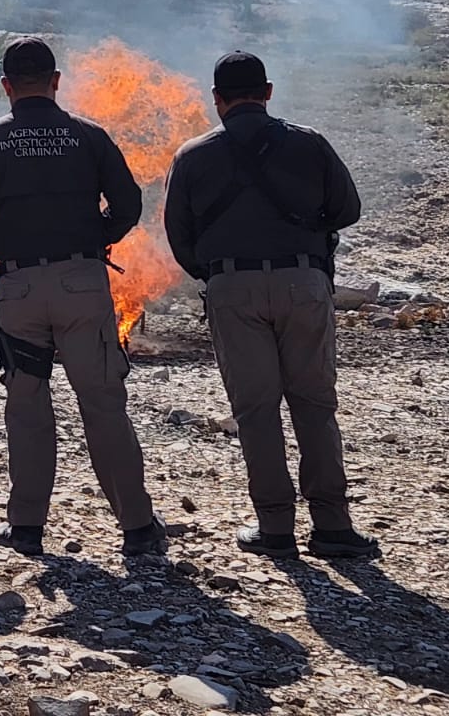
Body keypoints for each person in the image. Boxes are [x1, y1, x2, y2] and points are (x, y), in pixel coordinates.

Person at [0, 36, 166, 559]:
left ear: (5, 87)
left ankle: (25, 527)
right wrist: (98, 234)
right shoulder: (87, 136)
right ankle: (136, 528)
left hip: (19, 287)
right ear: (55, 80)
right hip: (82, 284)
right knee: (104, 403)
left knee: (26, 405)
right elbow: (130, 202)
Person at [163, 51, 375, 560]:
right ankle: (333, 526)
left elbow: (179, 234)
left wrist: (216, 275)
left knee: (256, 410)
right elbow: (348, 210)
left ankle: (275, 528)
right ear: (269, 91)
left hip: (232, 287)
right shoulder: (309, 143)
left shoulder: (192, 155)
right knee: (315, 404)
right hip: (304, 282)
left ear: (216, 99)